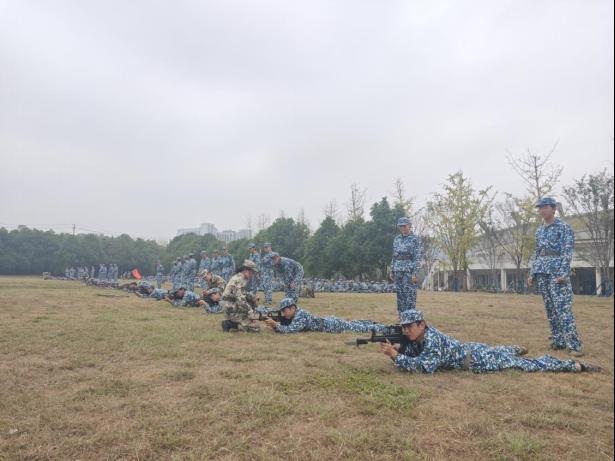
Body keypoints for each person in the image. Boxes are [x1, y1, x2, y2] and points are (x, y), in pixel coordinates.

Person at [379, 310, 600, 374]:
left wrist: (395, 355)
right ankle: (513, 348)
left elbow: (425, 367)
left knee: (526, 365)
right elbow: (419, 352)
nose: (405, 330)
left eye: (409, 326)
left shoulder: (432, 339)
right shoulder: (420, 336)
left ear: (422, 324)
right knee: (499, 351)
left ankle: (574, 365)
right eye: (403, 327)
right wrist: (401, 348)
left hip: (477, 360)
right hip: (471, 348)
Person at [527, 197, 583, 356]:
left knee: (563, 309)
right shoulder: (539, 230)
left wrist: (563, 273)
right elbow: (537, 252)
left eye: (545, 207)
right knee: (550, 309)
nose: (541, 210)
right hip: (542, 271)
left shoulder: (564, 228)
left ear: (553, 209)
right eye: (539, 208)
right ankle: (558, 341)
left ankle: (574, 345)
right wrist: (532, 272)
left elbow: (567, 251)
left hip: (556, 272)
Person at [264, 298, 385, 333]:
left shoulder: (300, 315)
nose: (283, 313)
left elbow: (291, 330)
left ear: (293, 308)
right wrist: (275, 324)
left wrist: (275, 325)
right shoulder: (296, 314)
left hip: (332, 326)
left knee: (360, 329)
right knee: (353, 324)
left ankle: (383, 328)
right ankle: (371, 322)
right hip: (330, 322)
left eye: (285, 310)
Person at [390, 217, 422, 315]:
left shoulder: (415, 239)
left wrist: (414, 273)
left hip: (409, 270)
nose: (403, 228)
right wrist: (392, 269)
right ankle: (402, 316)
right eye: (401, 226)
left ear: (409, 226)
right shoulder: (397, 239)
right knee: (400, 295)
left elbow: (417, 257)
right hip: (398, 269)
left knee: (410, 294)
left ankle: (410, 317)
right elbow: (394, 255)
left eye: (404, 225)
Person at [220, 259, 260, 332]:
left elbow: (242, 293)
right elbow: (240, 299)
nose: (252, 275)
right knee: (255, 328)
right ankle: (230, 324)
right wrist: (250, 312)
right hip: (230, 305)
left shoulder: (240, 278)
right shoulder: (239, 279)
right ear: (246, 270)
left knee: (251, 299)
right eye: (252, 272)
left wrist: (253, 297)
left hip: (230, 304)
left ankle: (232, 322)